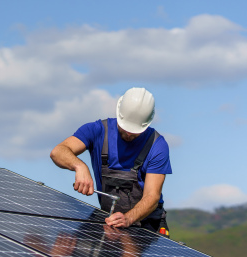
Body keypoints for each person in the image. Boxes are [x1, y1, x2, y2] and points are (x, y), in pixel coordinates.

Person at [50, 87, 172, 234]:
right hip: (112, 224)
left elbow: (152, 196)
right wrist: (79, 166)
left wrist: (128, 218)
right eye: (125, 127)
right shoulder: (97, 130)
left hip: (149, 224)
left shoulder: (157, 145)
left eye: (134, 131)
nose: (128, 133)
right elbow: (58, 151)